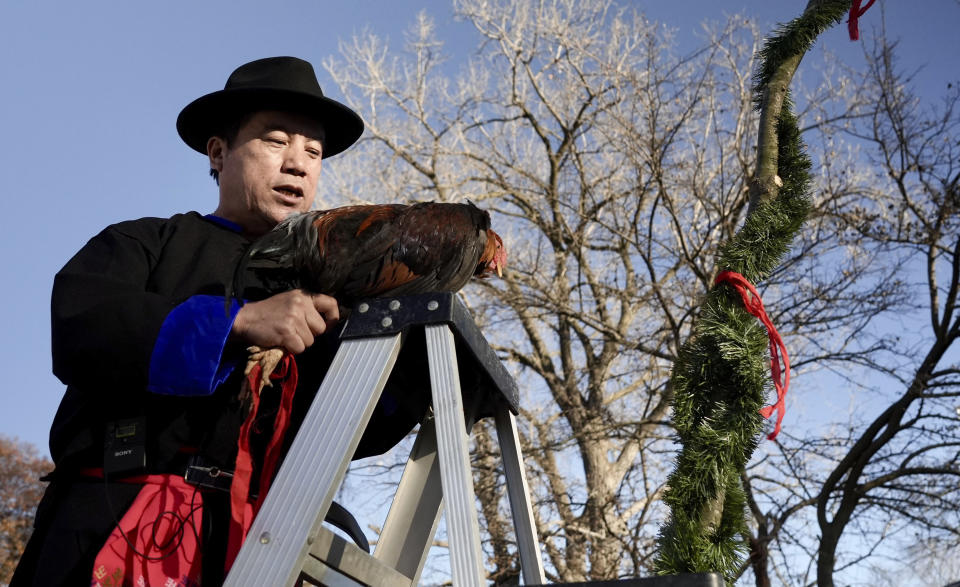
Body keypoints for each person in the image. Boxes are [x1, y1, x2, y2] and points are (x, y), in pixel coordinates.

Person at [12, 56, 423, 587]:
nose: (298, 163)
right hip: (110, 522)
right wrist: (237, 322)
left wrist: (414, 343)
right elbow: (81, 324)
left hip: (258, 548)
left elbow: (360, 426)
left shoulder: (329, 295)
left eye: (314, 151)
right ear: (218, 151)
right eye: (276, 141)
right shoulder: (144, 242)